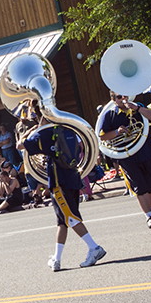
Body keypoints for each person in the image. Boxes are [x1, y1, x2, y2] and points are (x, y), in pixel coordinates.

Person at [20, 108, 107, 271]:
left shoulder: (43, 134)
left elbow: (21, 145)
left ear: (41, 119)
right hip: (73, 177)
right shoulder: (69, 129)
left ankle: (94, 247)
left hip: (59, 181)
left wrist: (33, 130)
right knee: (62, 222)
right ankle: (56, 258)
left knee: (71, 218)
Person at [98, 93, 151, 228]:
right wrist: (117, 132)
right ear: (113, 100)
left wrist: (137, 109)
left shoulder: (137, 107)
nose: (122, 99)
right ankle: (149, 217)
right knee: (139, 187)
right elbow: (102, 136)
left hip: (145, 150)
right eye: (118, 97)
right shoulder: (109, 114)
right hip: (126, 155)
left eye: (124, 96)